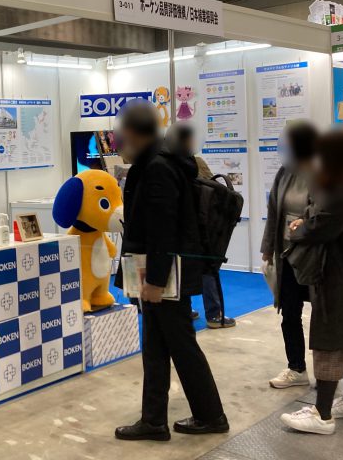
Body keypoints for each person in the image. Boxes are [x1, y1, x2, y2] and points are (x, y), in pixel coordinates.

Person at [114, 102, 228, 442]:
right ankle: (154, 420)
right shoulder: (157, 161)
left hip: (165, 274)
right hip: (164, 272)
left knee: (181, 346)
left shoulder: (158, 167)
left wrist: (155, 280)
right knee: (156, 347)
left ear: (133, 132)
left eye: (122, 133)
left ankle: (211, 415)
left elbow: (163, 229)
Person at [281, 130, 343, 435]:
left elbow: (322, 226)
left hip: (338, 278)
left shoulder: (342, 187)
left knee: (331, 339)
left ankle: (321, 415)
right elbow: (320, 216)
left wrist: (298, 229)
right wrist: (307, 220)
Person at [261, 121, 318, 389]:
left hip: (315, 256)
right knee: (290, 313)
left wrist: (304, 223)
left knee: (324, 315)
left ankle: (331, 372)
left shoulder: (321, 171)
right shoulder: (284, 172)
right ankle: (296, 368)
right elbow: (274, 211)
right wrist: (267, 248)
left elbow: (324, 213)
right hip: (286, 254)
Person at [165, 123, 236, 329]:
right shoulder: (195, 163)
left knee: (182, 269)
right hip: (201, 226)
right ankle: (214, 315)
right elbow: (215, 191)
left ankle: (187, 310)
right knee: (208, 269)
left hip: (182, 228)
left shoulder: (168, 165)